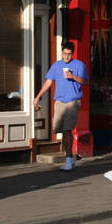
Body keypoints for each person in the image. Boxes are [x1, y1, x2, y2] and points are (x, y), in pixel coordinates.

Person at [33, 41, 86, 171]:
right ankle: (68, 158)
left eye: (69, 54)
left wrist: (72, 76)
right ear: (62, 53)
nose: (66, 57)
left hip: (72, 101)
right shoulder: (56, 66)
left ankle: (68, 159)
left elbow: (85, 81)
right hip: (59, 102)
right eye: (64, 54)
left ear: (72, 54)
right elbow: (49, 82)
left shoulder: (79, 65)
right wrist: (38, 96)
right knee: (59, 129)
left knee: (67, 130)